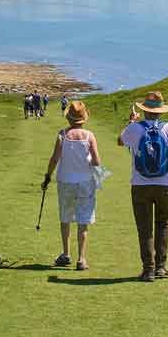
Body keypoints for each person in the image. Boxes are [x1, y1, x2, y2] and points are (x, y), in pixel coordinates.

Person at [118, 90, 168, 282]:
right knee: (163, 223)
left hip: (140, 184)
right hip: (165, 183)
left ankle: (148, 270)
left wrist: (131, 123)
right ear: (161, 111)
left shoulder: (135, 128)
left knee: (144, 228)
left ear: (144, 110)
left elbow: (120, 141)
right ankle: (161, 267)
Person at [42, 101, 101, 271]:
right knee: (83, 220)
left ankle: (66, 254)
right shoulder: (89, 136)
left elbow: (54, 159)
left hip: (65, 181)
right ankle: (81, 259)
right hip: (85, 182)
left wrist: (47, 176)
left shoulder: (62, 135)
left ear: (69, 118)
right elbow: (97, 161)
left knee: (65, 217)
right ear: (83, 119)